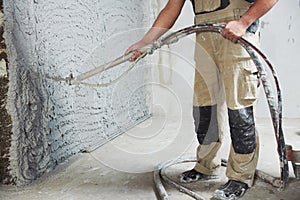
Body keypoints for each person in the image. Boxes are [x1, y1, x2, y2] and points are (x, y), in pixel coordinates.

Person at [126, 0, 278, 199]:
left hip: (238, 36)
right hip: (205, 37)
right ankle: (207, 165)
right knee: (205, 108)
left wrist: (243, 22)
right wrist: (145, 42)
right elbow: (171, 9)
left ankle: (241, 176)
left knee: (239, 111)